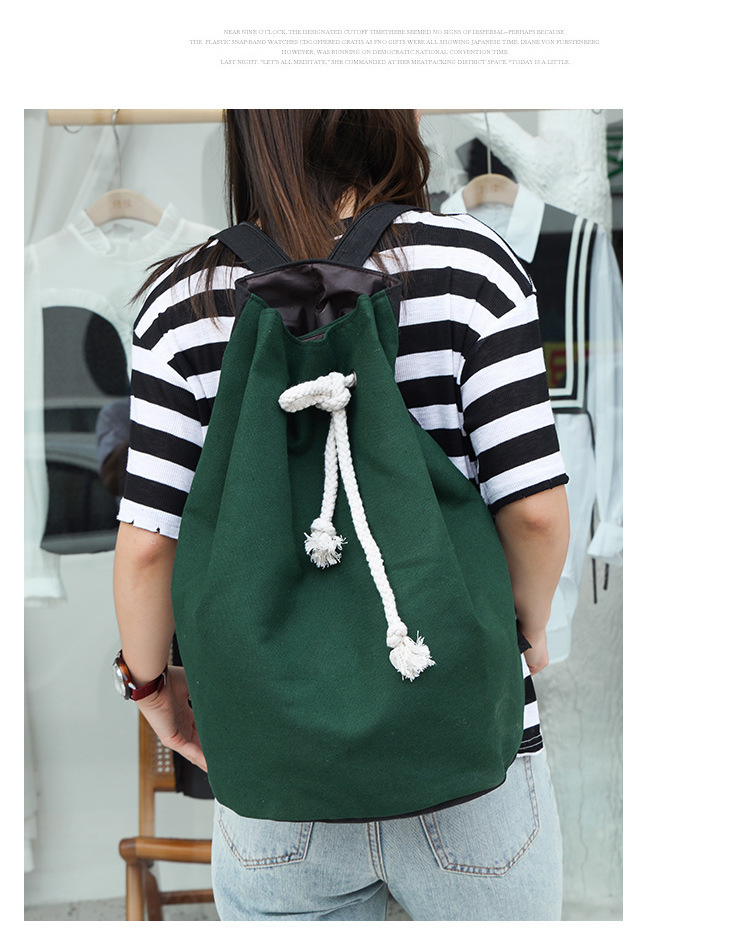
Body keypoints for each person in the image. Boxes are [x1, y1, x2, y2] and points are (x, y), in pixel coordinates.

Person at [113, 109, 570, 921]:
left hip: (276, 765)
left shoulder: (180, 301)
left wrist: (149, 687)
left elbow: (147, 548)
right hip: (464, 742)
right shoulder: (474, 267)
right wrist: (523, 631)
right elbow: (534, 512)